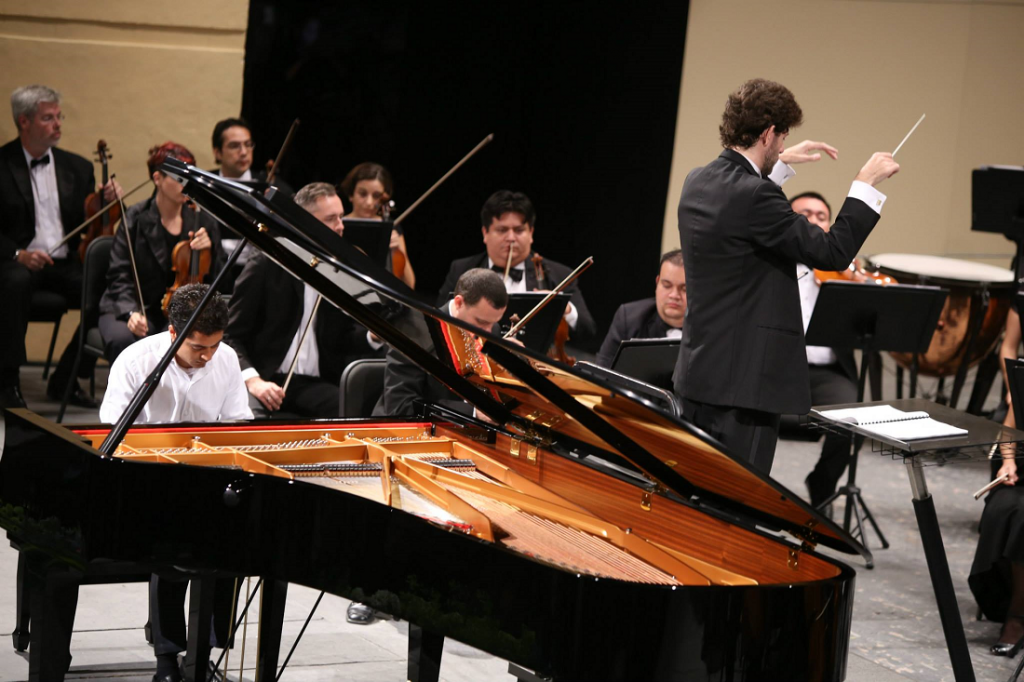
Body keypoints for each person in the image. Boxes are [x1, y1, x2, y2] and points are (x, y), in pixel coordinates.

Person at [672, 78, 899, 474]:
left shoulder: (698, 180)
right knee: (739, 495)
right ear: (768, 133)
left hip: (700, 373)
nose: (781, 146)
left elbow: (741, 210)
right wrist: (863, 186)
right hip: (744, 386)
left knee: (696, 489)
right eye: (780, 139)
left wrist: (777, 164)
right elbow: (832, 252)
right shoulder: (756, 196)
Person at [99, 283, 250, 682]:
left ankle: (207, 649)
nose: (208, 356)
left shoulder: (226, 359)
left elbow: (237, 424)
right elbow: (112, 433)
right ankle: (167, 656)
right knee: (171, 544)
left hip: (207, 479)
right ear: (173, 333)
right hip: (146, 482)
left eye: (215, 346)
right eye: (199, 347)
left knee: (237, 542)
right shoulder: (135, 362)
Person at [0, 84, 121, 408]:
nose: (57, 124)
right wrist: (18, 254)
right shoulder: (2, 163)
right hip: (16, 263)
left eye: (59, 116)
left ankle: (65, 378)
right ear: (24, 122)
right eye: (48, 118)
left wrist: (108, 201)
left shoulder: (77, 167)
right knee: (13, 282)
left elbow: (93, 222)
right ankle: (7, 382)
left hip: (65, 262)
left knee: (109, 287)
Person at [226, 182, 380, 418]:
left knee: (354, 412)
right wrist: (253, 380)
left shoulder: (337, 273)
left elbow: (343, 338)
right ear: (303, 222)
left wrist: (372, 337)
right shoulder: (266, 263)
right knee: (250, 421)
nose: (340, 226)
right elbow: (231, 335)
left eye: (341, 217)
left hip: (314, 384)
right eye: (331, 219)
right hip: (264, 378)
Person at [98, 142, 224, 363]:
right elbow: (119, 274)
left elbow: (218, 280)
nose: (186, 185)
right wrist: (131, 313)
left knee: (181, 343)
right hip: (132, 306)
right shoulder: (135, 218)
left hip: (177, 314)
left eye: (189, 178)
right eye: (179, 178)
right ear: (157, 179)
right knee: (123, 340)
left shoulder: (203, 221)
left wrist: (210, 251)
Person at [437, 190, 597, 348]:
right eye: (502, 230)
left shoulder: (559, 274)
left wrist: (563, 307)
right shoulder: (462, 269)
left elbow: (588, 331)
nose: (511, 238)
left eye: (519, 230)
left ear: (531, 233)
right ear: (485, 233)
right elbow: (438, 323)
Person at [788, 191, 865, 508]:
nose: (814, 220)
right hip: (777, 367)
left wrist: (853, 278)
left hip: (826, 373)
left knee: (854, 419)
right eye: (805, 213)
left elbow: (873, 312)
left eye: (822, 216)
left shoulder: (841, 271)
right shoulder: (771, 263)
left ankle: (822, 483)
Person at [375, 268, 509, 419]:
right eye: (481, 322)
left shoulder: (492, 329)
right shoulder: (412, 333)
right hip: (407, 429)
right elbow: (400, 406)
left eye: (493, 323)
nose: (488, 332)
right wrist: (472, 413)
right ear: (459, 303)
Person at [970, 300, 1024, 656]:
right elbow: (1008, 428)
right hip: (1023, 471)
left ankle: (1017, 615)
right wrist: (1007, 462)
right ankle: (1012, 608)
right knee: (1003, 509)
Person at [596, 250, 686, 367]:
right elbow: (602, 371)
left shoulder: (709, 330)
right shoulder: (629, 318)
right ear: (657, 283)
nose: (674, 295)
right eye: (667, 285)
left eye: (684, 289)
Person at [340, 162, 416, 289]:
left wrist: (398, 250)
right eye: (363, 194)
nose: (369, 202)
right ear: (351, 194)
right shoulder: (338, 225)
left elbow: (409, 285)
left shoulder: (391, 228)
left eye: (376, 196)